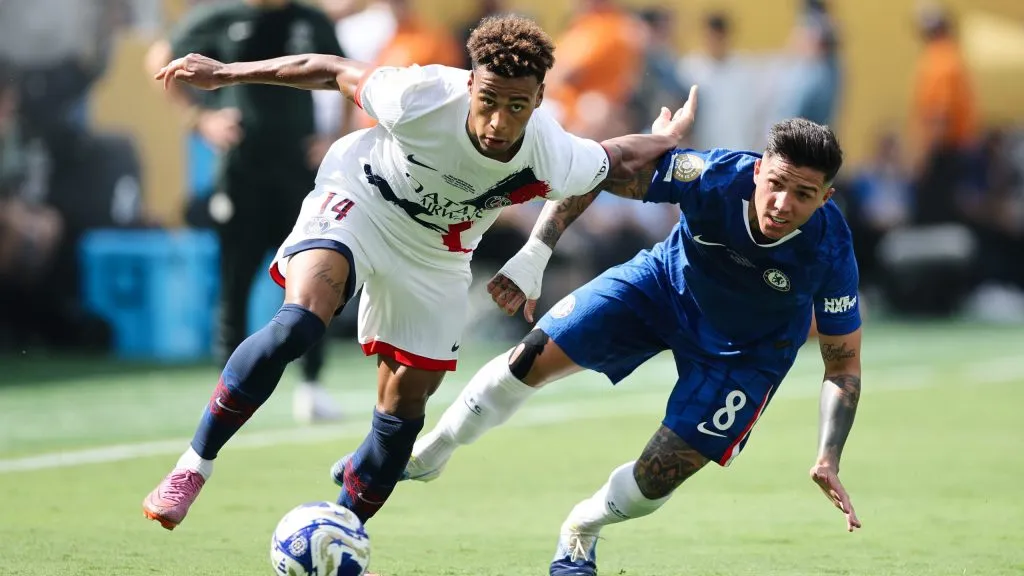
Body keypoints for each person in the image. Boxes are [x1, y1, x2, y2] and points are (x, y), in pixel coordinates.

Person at [141, 13, 697, 531]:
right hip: (363, 200)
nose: (500, 122)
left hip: (437, 252)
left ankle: (342, 534)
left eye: (518, 106)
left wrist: (665, 141)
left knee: (405, 407)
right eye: (489, 101)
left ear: (540, 99)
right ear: (469, 84)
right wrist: (226, 73)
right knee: (300, 322)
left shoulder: (554, 148)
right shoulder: (420, 94)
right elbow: (330, 70)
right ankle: (194, 465)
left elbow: (612, 160)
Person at [404, 118, 864, 575]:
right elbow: (596, 169)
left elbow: (842, 366)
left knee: (657, 479)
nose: (782, 204)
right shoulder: (712, 176)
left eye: (803, 195)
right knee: (530, 356)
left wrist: (828, 454)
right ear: (759, 169)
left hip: (745, 355)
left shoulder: (832, 252)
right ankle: (433, 451)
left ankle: (581, 528)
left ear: (825, 198)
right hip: (662, 287)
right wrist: (536, 253)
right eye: (777, 184)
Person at [145, 0, 352, 422]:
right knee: (235, 279)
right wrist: (199, 121)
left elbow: (347, 75)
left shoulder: (309, 20)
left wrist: (336, 134)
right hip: (243, 172)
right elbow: (161, 59)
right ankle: (227, 391)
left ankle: (311, 386)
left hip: (299, 174)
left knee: (314, 278)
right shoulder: (223, 16)